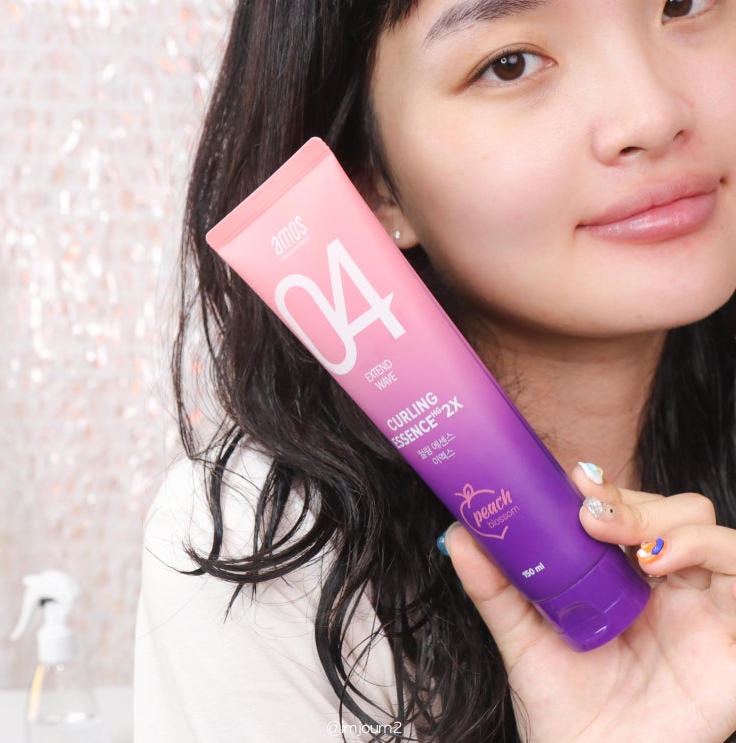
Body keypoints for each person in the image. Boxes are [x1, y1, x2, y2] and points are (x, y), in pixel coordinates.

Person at [134, 0, 736, 740]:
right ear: (371, 185)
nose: (653, 115)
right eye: (509, 64)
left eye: (681, 3)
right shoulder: (265, 548)